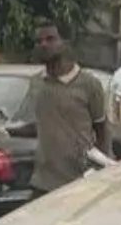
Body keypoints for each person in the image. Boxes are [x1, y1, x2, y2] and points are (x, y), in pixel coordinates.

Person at [31, 20, 109, 197]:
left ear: (65, 42)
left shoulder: (89, 84)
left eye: (50, 39)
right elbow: (38, 124)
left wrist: (102, 168)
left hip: (79, 182)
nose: (43, 45)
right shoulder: (37, 84)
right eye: (39, 41)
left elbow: (102, 129)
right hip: (43, 182)